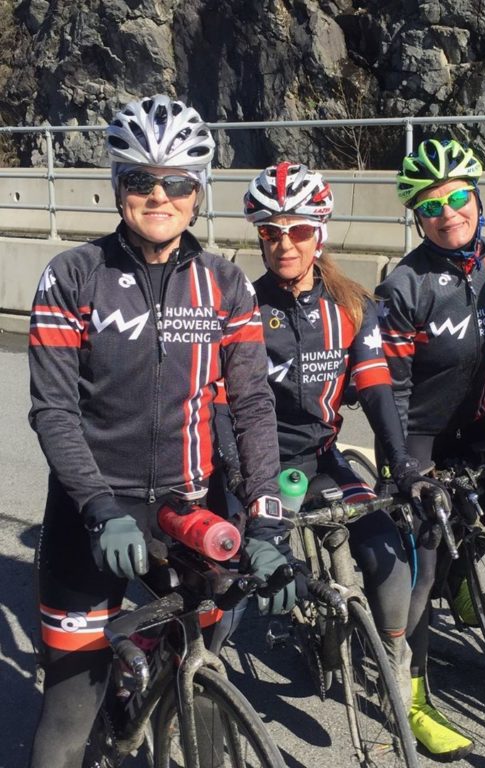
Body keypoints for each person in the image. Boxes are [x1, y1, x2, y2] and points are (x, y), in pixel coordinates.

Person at [27, 94, 290, 768]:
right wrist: (96, 504)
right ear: (118, 186)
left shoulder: (227, 284)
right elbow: (54, 410)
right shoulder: (73, 275)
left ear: (197, 193)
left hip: (188, 510)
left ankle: (154, 689)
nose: (157, 195)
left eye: (176, 181)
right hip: (93, 517)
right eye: (140, 179)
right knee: (66, 720)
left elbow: (254, 406)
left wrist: (266, 522)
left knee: (197, 668)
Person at [238, 160, 447, 709]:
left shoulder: (353, 306)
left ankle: (396, 663)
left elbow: (377, 392)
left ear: (319, 234)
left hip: (323, 457)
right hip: (263, 465)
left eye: (300, 230)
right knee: (257, 580)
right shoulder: (241, 309)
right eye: (271, 232)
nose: (286, 244)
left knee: (386, 551)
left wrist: (401, 466)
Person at [375, 138, 485, 761]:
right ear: (417, 218)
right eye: (430, 207)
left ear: (477, 198)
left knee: (471, 520)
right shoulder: (405, 284)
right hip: (416, 432)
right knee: (418, 569)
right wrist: (401, 462)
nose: (448, 213)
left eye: (457, 198)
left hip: (475, 424)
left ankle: (463, 579)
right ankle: (411, 694)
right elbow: (389, 387)